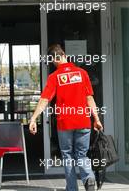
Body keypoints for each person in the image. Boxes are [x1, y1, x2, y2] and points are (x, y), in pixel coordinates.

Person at [29, 44, 103, 191]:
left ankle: (72, 188)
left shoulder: (55, 77)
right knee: (82, 154)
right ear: (64, 54)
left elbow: (44, 100)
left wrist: (33, 118)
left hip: (65, 123)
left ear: (55, 59)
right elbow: (90, 99)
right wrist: (97, 119)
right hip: (83, 121)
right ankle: (88, 178)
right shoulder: (82, 73)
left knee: (68, 156)